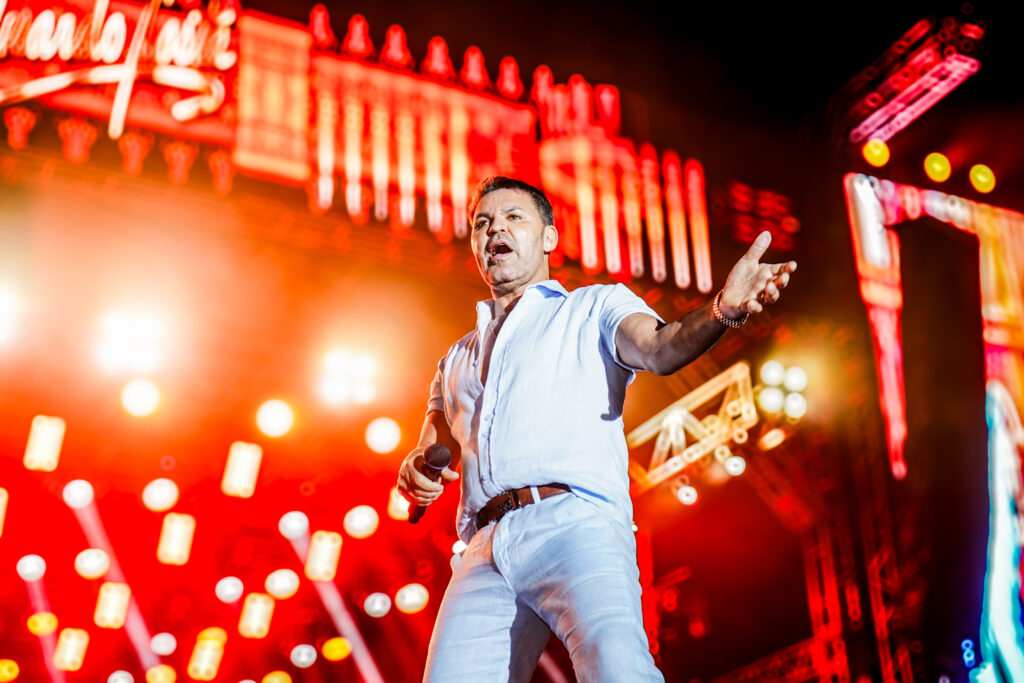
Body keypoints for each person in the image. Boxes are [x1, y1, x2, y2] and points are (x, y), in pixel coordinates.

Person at [397, 176, 796, 682]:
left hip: (573, 521)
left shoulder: (593, 307)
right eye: (482, 223)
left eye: (514, 217)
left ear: (548, 237)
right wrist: (416, 469)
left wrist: (723, 309)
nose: (495, 228)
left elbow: (661, 348)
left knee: (615, 667)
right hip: (482, 545)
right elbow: (433, 443)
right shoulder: (455, 358)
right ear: (475, 245)